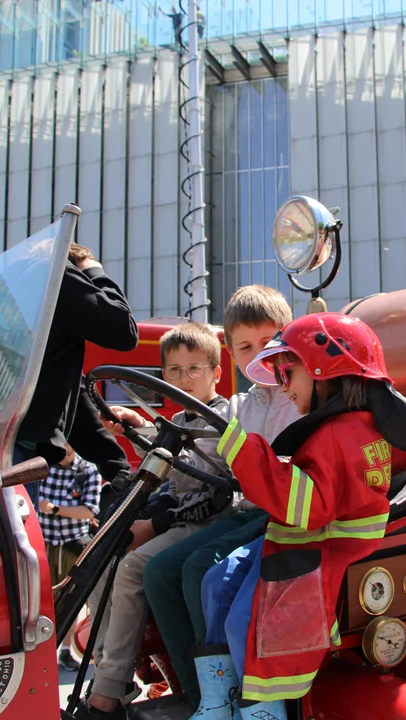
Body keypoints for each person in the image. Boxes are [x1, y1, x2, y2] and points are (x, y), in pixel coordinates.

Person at [193, 312, 406, 719]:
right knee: (214, 581)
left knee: (245, 621)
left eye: (287, 373)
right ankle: (218, 701)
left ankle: (262, 710)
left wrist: (246, 453)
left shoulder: (338, 436)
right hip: (303, 540)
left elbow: (307, 507)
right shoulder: (351, 428)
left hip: (321, 552)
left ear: (323, 370)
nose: (282, 387)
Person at [138, 286, 298, 712]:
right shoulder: (241, 407)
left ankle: (228, 695)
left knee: (199, 569)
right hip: (248, 508)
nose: (259, 353)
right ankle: (196, 691)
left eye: (269, 342)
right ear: (231, 352)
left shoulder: (300, 396)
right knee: (156, 572)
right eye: (246, 346)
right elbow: (206, 442)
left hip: (280, 511)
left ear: (289, 337)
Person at [79, 322, 232, 719]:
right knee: (97, 559)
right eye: (174, 371)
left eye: (194, 369)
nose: (184, 378)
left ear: (217, 372)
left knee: (131, 568)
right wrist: (136, 427)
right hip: (176, 521)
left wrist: (153, 526)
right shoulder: (178, 421)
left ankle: (108, 692)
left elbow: (214, 495)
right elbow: (163, 458)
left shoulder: (224, 422)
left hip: (209, 522)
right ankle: (110, 673)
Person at [15, 242, 139, 505]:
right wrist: (94, 272)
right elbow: (123, 330)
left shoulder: (16, 298)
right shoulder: (54, 275)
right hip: (17, 451)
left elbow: (66, 394)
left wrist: (117, 468)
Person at [38, 444, 103, 672]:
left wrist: (55, 509)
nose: (63, 449)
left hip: (72, 543)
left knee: (70, 598)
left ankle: (64, 650)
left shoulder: (87, 471)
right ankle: (40, 650)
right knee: (39, 598)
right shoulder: (45, 465)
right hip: (42, 542)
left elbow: (90, 510)